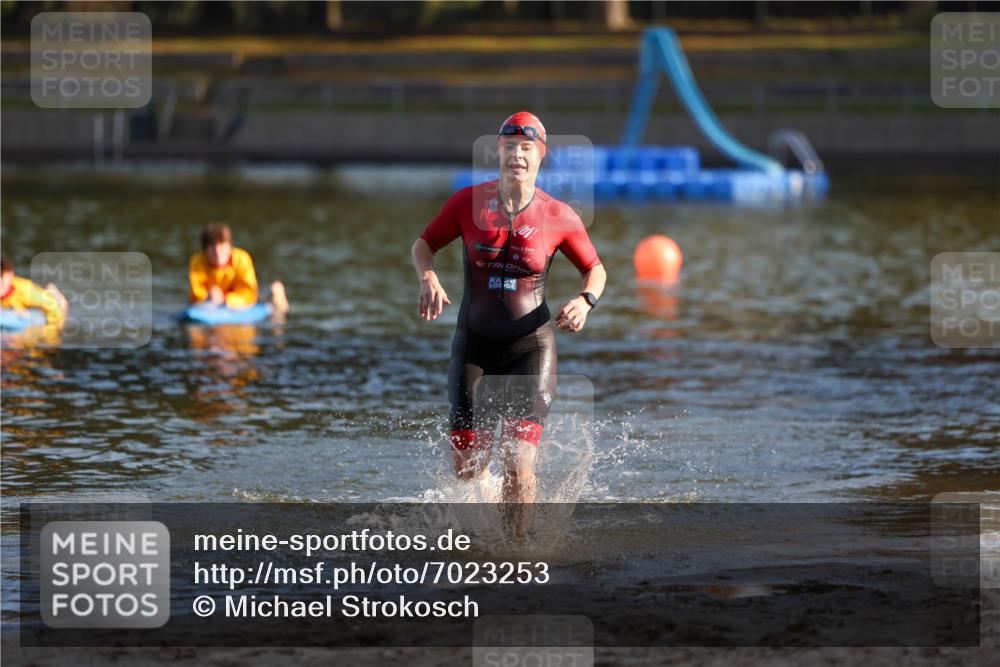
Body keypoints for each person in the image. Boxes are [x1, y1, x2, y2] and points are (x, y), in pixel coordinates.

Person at [411, 111, 607, 508]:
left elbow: (595, 269)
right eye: (511, 148)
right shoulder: (467, 203)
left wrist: (585, 301)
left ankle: (517, 557)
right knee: (467, 466)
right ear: (499, 152)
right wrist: (427, 277)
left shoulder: (559, 216)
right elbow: (423, 245)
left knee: (517, 461)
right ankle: (479, 544)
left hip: (529, 348)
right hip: (474, 347)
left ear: (540, 157)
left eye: (527, 149)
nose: (518, 155)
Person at [189, 223, 289, 314]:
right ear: (204, 250)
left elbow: (249, 294)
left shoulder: (241, 259)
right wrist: (208, 297)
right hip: (210, 302)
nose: (217, 251)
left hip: (246, 299)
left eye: (221, 245)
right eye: (212, 246)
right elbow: (196, 292)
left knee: (276, 289)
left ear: (229, 246)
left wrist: (224, 298)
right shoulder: (197, 261)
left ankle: (280, 319)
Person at [1, 255, 68, 326]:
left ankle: (54, 293)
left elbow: (56, 313)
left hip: (49, 303)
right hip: (13, 310)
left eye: (1, 276)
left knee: (58, 306)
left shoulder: (25, 290)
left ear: (11, 275)